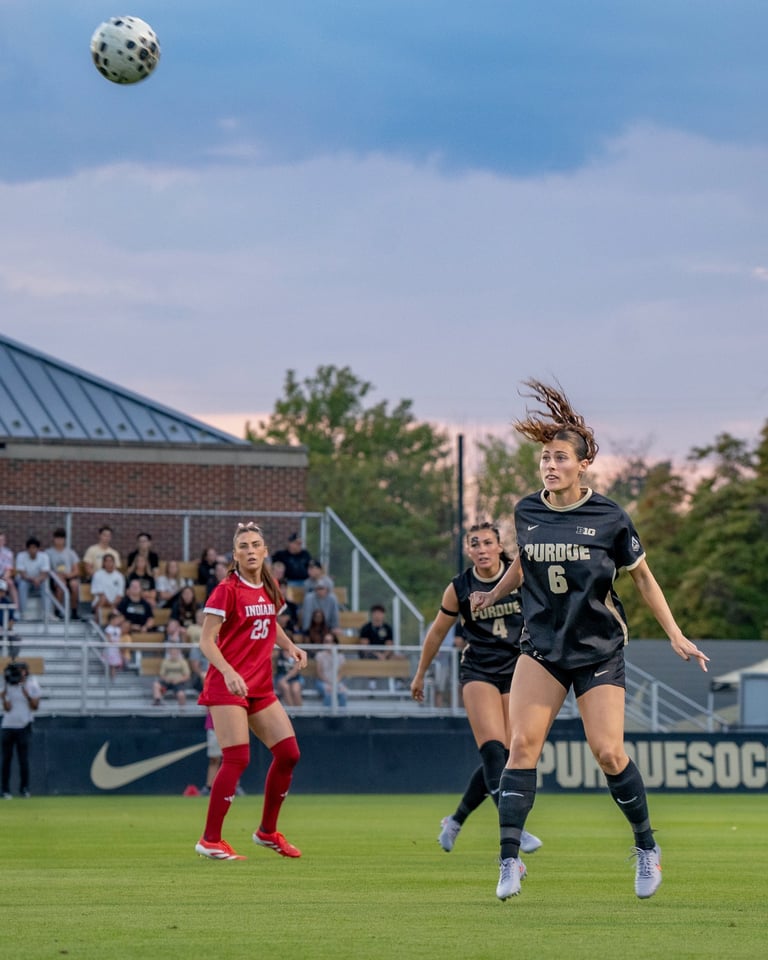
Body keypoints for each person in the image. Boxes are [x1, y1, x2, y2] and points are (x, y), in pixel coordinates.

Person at [470, 380, 710, 902]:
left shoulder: (610, 518)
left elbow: (643, 578)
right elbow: (523, 565)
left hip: (598, 650)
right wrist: (494, 593)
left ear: (583, 465)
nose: (550, 465)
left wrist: (676, 634)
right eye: (545, 458)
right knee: (521, 746)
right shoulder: (526, 512)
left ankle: (646, 847)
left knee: (607, 752)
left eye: (560, 458)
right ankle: (509, 860)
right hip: (542, 647)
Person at [410, 522, 542, 858]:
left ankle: (456, 820)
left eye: (487, 543)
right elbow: (437, 633)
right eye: (475, 544)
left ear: (499, 546)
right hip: (478, 670)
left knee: (508, 758)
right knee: (493, 752)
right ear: (468, 551)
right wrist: (420, 674)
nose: (482, 549)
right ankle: (513, 828)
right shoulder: (460, 587)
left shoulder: (520, 574)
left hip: (517, 671)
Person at [195, 521, 307, 861]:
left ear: (265, 550)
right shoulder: (227, 589)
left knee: (289, 754)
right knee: (237, 758)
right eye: (243, 546)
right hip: (227, 684)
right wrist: (227, 671)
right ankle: (210, 840)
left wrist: (290, 646)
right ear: (235, 555)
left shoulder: (269, 585)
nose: (250, 550)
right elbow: (205, 641)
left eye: (255, 544)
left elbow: (270, 623)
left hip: (259, 685)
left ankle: (267, 832)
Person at [1, 660, 41, 799]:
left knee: (23, 759)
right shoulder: (8, 684)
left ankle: (24, 789)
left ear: (25, 672)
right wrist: (4, 697)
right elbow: (7, 708)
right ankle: (5, 790)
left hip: (24, 725)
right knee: (6, 760)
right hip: (8, 725)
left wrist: (26, 693)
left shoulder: (32, 684)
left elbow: (35, 706)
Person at [46, 528, 81, 620]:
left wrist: (68, 575)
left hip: (68, 576)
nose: (59, 541)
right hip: (54, 578)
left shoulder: (71, 553)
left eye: (61, 538)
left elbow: (77, 570)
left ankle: (74, 612)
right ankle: (57, 611)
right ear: (54, 539)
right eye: (57, 538)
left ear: (65, 540)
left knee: (75, 585)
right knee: (61, 584)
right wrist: (57, 576)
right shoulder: (48, 553)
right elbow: (46, 569)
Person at [14, 537, 51, 620]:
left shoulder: (44, 556)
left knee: (45, 584)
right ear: (27, 549)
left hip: (39, 581)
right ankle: (23, 613)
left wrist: (38, 579)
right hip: (25, 580)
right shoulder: (21, 556)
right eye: (30, 548)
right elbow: (22, 574)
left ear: (38, 548)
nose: (32, 550)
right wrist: (33, 579)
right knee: (23, 584)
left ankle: (46, 613)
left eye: (34, 547)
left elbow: (45, 573)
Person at [89, 553, 125, 624]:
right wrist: (110, 604)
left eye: (111, 561)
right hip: (100, 602)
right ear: (103, 563)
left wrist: (113, 604)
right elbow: (100, 593)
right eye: (106, 561)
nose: (109, 563)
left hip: (115, 603)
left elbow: (120, 594)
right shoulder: (98, 574)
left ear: (114, 563)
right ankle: (96, 624)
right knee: (103, 599)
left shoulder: (119, 576)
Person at [314, 634, 348, 708]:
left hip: (337, 681)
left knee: (343, 692)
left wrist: (334, 683)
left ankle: (342, 714)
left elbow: (341, 673)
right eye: (325, 641)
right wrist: (329, 683)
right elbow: (319, 673)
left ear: (334, 643)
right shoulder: (320, 655)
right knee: (329, 692)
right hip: (322, 681)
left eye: (329, 641)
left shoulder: (340, 656)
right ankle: (327, 714)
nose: (327, 643)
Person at [0, 532, 20, 610]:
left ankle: (16, 608)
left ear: (4, 541)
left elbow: (9, 569)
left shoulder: (8, 553)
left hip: (4, 576)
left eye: (2, 540)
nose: (0, 542)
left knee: (10, 583)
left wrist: (4, 578)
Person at [102, 611, 124, 680]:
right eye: (116, 619)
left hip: (116, 648)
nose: (118, 621)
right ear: (112, 620)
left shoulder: (118, 629)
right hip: (111, 648)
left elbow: (119, 638)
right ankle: (111, 676)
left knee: (115, 664)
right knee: (112, 664)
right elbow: (108, 638)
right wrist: (112, 642)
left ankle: (113, 676)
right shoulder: (109, 628)